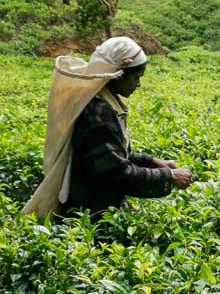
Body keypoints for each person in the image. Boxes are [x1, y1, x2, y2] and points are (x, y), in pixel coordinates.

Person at [22, 36, 193, 222]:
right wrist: (169, 176)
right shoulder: (98, 113)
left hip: (93, 206)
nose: (138, 84)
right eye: (136, 77)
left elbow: (111, 156)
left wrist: (152, 162)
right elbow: (117, 174)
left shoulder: (101, 102)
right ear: (118, 75)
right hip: (88, 215)